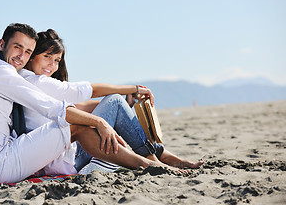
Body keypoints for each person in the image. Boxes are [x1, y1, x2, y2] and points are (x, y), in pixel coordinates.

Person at [0, 23, 171, 185]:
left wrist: (102, 115)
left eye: (28, 51)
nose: (21, 56)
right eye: (17, 47)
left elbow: (74, 106)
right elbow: (55, 109)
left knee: (84, 117)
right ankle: (150, 161)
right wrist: (100, 122)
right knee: (73, 123)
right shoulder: (2, 73)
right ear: (2, 44)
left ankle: (153, 157)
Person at [19, 29, 203, 175]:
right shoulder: (35, 81)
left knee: (115, 102)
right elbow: (92, 90)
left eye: (57, 60)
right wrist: (133, 89)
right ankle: (156, 157)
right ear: (32, 56)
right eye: (47, 57)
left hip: (64, 156)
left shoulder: (34, 84)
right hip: (67, 160)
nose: (52, 65)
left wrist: (123, 106)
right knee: (114, 101)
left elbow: (80, 107)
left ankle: (157, 155)